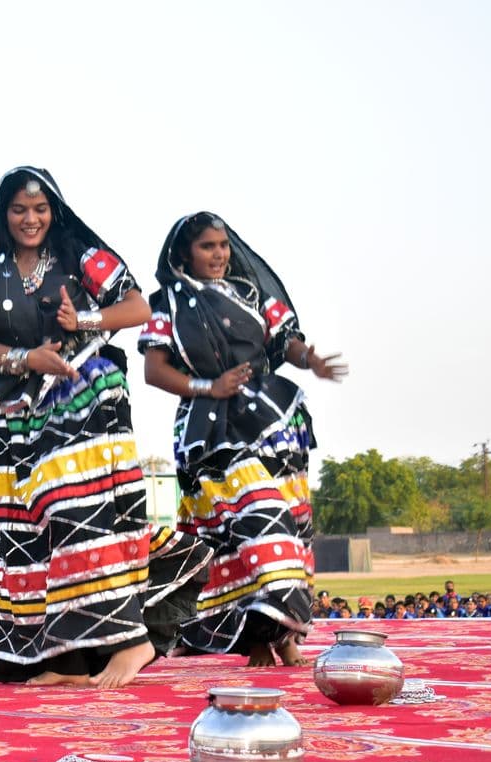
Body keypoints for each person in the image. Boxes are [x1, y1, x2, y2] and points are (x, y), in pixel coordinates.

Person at [0, 167, 211, 688]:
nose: (31, 219)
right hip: (16, 405)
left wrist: (82, 323)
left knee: (80, 514)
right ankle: (66, 654)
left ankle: (132, 640)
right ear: (3, 214)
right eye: (20, 210)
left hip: (85, 395)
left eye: (40, 209)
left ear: (55, 211)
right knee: (23, 527)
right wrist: (27, 358)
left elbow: (137, 307)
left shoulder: (80, 255)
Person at [140, 212, 347, 668]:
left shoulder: (252, 295)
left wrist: (308, 358)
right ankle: (253, 637)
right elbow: (154, 371)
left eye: (222, 245)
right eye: (207, 247)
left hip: (271, 423)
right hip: (210, 429)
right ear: (183, 255)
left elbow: (286, 341)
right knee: (252, 527)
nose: (218, 254)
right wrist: (208, 387)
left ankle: (285, 634)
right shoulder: (167, 305)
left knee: (292, 526)